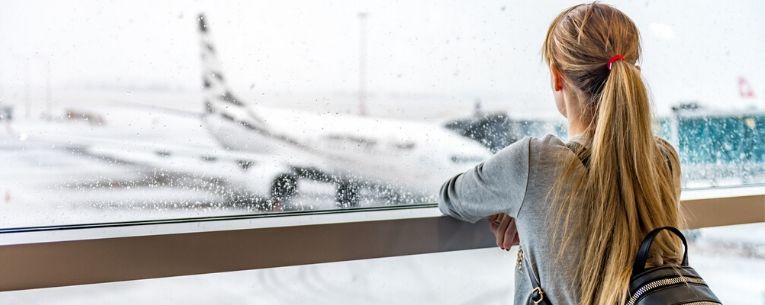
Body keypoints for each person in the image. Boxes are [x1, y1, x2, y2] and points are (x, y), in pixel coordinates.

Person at [438, 3, 683, 305]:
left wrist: (523, 201)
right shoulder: (664, 159)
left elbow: (450, 198)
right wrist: (531, 211)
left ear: (557, 77)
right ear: (635, 74)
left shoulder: (533, 163)